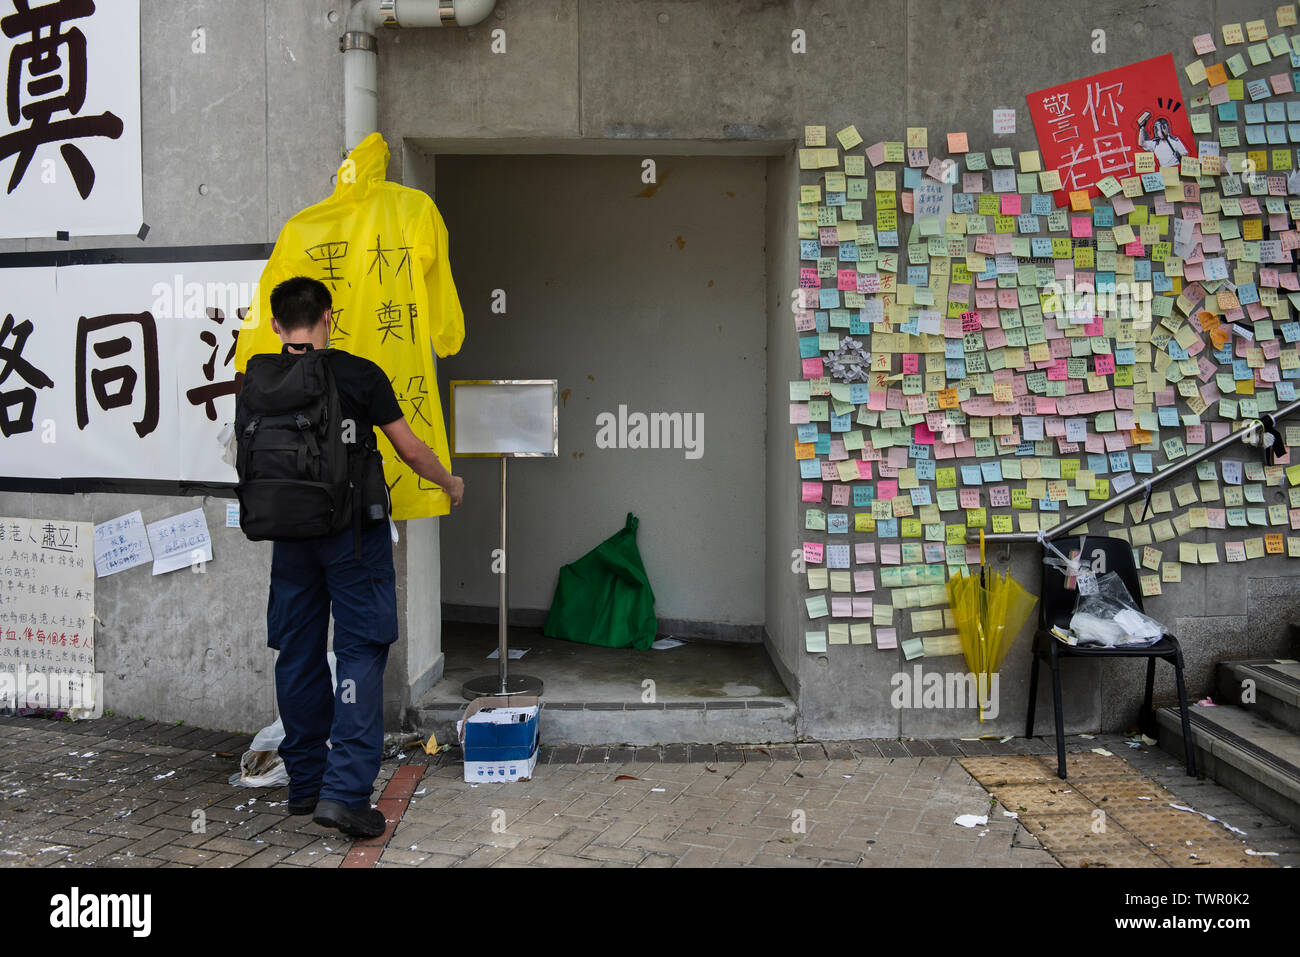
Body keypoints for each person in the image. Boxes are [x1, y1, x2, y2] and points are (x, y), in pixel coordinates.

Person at [244, 276, 464, 839]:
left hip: (289, 539)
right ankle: (344, 795)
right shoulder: (360, 374)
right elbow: (409, 448)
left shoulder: (259, 382)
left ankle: (305, 784)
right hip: (352, 537)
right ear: (329, 317)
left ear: (275, 325)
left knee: (297, 651)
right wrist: (450, 481)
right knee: (360, 652)